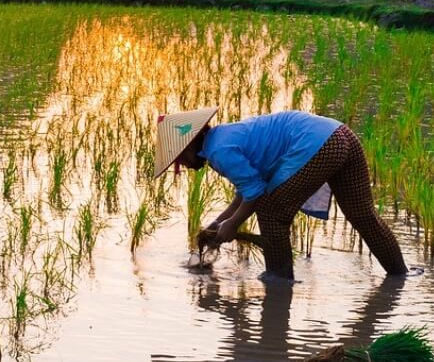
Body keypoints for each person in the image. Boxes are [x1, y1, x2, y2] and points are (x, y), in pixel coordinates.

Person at [154, 107, 407, 279]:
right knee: (364, 217)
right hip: (341, 135)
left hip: (319, 145)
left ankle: (278, 282)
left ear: (188, 147)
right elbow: (245, 192)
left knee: (272, 214)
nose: (184, 167)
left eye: (179, 160)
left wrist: (233, 225)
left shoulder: (219, 152)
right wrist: (219, 223)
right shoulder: (222, 138)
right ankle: (400, 277)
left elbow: (255, 194)